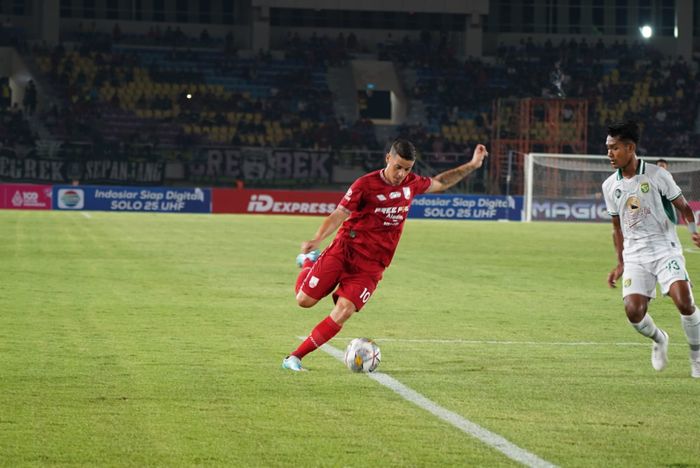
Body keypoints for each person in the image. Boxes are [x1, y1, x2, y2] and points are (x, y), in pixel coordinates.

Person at [282, 138, 488, 371]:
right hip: (345, 251)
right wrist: (318, 238)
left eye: (407, 169)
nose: (401, 173)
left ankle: (294, 358)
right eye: (397, 166)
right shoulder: (365, 184)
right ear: (388, 159)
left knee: (344, 311)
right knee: (304, 301)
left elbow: (440, 182)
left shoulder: (412, 184)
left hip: (372, 266)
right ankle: (309, 263)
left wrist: (472, 164)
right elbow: (340, 212)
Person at [602, 121, 700, 378]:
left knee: (685, 301)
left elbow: (685, 208)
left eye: (614, 148)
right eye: (608, 148)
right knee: (634, 312)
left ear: (630, 148)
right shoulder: (610, 186)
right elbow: (617, 228)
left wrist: (693, 233)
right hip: (635, 255)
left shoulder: (657, 175)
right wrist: (621, 263)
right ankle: (659, 339)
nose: (609, 154)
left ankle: (697, 356)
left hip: (665, 248)